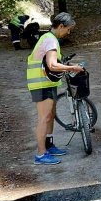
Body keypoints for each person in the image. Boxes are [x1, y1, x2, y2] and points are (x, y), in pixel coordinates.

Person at [26, 12, 85, 165]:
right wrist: (72, 67)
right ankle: (41, 154)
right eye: (68, 29)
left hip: (47, 83)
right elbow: (52, 64)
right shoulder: (50, 40)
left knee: (50, 116)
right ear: (60, 26)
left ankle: (49, 145)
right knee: (44, 118)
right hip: (41, 84)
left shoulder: (50, 39)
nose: (68, 32)